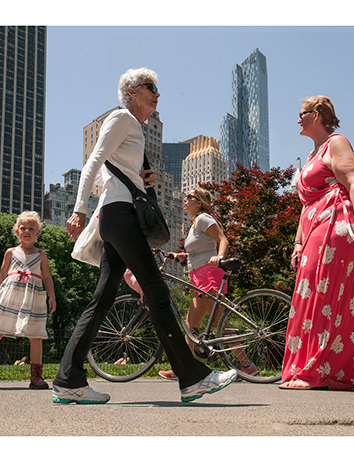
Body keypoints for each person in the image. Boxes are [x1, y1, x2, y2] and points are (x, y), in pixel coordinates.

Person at [59, 68, 237, 404]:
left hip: (118, 217)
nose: (157, 93)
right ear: (131, 92)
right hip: (118, 216)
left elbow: (118, 171)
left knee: (103, 299)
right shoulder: (121, 118)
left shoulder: (134, 130)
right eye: (150, 87)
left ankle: (69, 379)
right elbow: (93, 161)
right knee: (155, 289)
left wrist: (145, 181)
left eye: (158, 88)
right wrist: (78, 209)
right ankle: (192, 377)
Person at [285, 95, 354, 392]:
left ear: (317, 115)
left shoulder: (337, 142)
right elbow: (307, 204)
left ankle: (317, 370)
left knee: (325, 298)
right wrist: (297, 242)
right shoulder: (311, 155)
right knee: (342, 302)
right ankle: (345, 370)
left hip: (337, 225)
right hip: (314, 227)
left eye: (302, 113)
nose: (297, 119)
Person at [158, 187, 256, 380]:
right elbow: (198, 252)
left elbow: (223, 240)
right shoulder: (194, 224)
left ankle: (248, 366)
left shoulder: (204, 218)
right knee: (190, 326)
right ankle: (182, 370)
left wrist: (219, 257)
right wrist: (180, 256)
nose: (185, 199)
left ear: (199, 202)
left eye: (189, 197)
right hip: (197, 277)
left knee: (221, 324)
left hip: (209, 275)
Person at [0, 211, 57, 390]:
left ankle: (36, 377)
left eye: (31, 228)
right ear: (17, 231)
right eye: (23, 228)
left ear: (37, 232)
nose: (27, 231)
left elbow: (47, 277)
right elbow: (2, 272)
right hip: (9, 297)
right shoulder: (11, 252)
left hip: (33, 299)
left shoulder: (41, 255)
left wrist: (52, 296)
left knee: (36, 337)